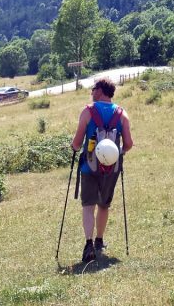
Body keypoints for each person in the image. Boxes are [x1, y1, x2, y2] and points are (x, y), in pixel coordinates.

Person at [70, 78, 134, 262]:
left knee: (88, 206)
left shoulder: (87, 111)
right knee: (104, 205)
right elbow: (129, 144)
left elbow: (76, 142)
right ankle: (99, 240)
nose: (91, 92)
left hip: (88, 168)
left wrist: (74, 148)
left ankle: (88, 244)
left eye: (93, 89)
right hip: (111, 169)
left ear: (100, 90)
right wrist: (118, 153)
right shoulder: (122, 114)